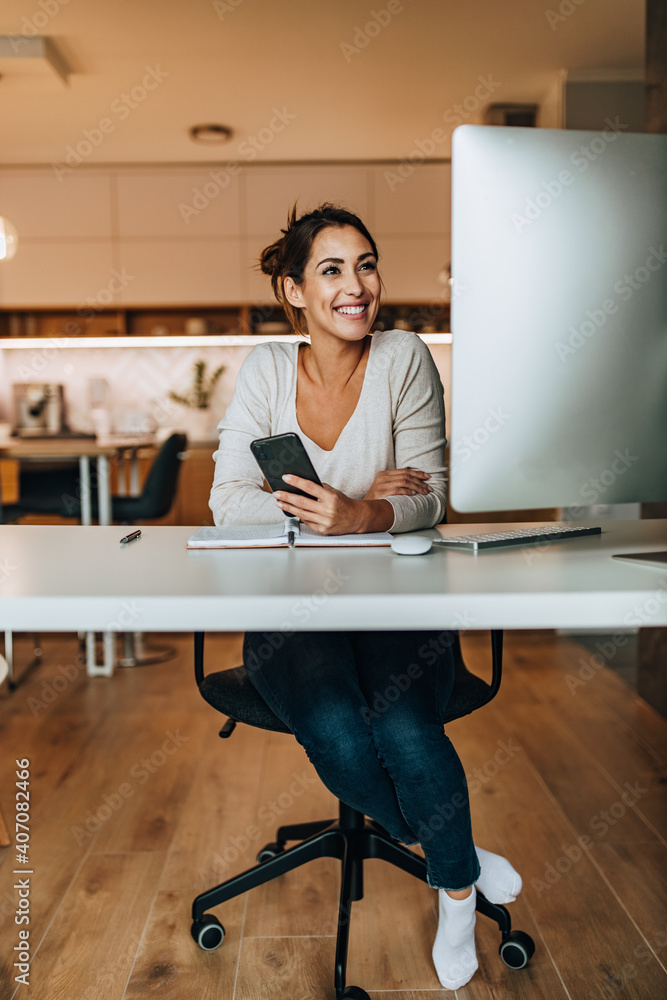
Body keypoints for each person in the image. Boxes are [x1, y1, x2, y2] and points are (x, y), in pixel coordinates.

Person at [209, 203, 522, 990]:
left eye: (367, 264)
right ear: (293, 291)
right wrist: (355, 508)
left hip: (397, 603)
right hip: (293, 613)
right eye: (331, 269)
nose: (357, 286)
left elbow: (430, 498)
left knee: (407, 727)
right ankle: (457, 860)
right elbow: (227, 500)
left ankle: (454, 899)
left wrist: (355, 512)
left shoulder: (404, 357)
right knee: (340, 733)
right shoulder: (265, 372)